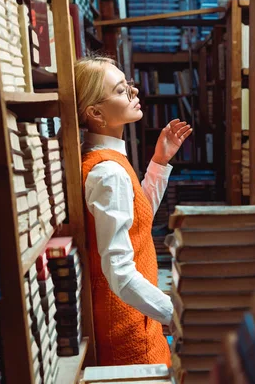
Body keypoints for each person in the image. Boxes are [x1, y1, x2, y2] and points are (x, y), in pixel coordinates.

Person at [74, 56, 192, 366]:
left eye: (129, 85)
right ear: (95, 113)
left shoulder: (106, 160)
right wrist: (178, 314)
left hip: (140, 317)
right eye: (120, 90)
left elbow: (136, 220)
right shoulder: (108, 172)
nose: (133, 93)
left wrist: (159, 162)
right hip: (128, 328)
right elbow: (120, 271)